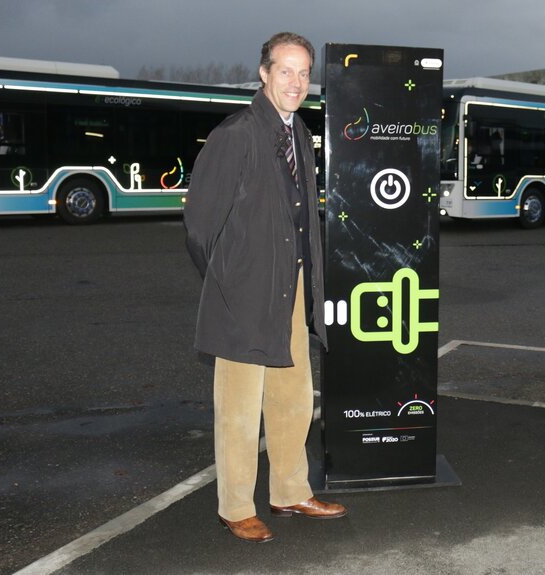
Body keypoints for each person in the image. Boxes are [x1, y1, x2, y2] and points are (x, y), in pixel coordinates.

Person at [184, 32, 346, 543]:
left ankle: (289, 491)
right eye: (286, 71)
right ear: (263, 73)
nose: (296, 83)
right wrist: (230, 279)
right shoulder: (236, 134)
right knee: (238, 408)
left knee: (293, 399)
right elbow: (199, 225)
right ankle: (234, 506)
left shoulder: (297, 131)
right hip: (245, 294)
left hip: (292, 286)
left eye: (304, 73)